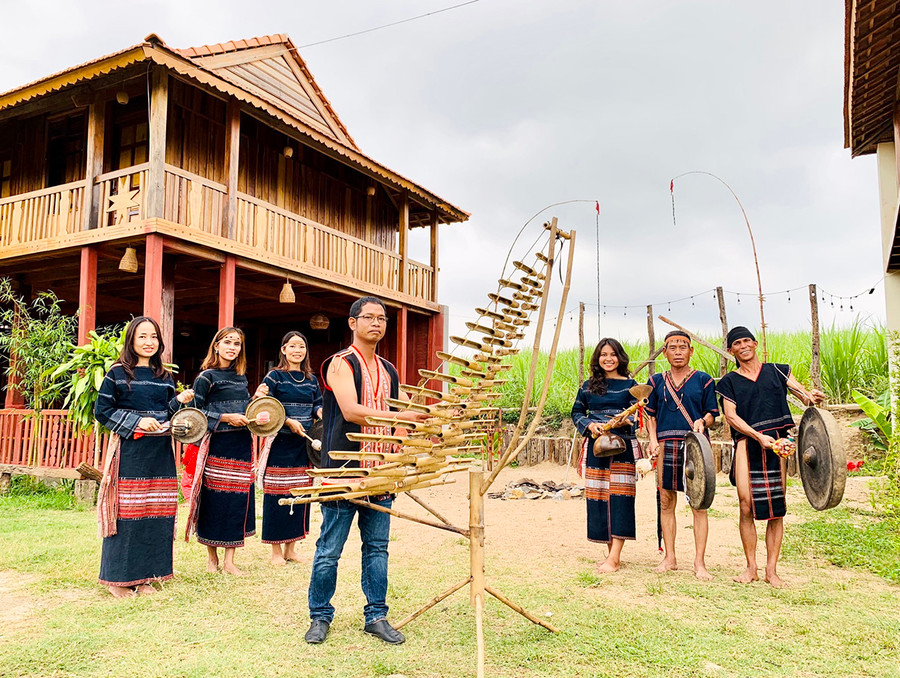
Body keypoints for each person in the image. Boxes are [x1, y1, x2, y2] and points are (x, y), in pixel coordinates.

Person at [305, 296, 428, 645]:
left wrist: (402, 449)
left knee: (377, 547)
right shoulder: (340, 363)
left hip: (381, 471)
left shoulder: (389, 369)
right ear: (352, 322)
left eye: (382, 318)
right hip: (344, 469)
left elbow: (399, 414)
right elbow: (351, 410)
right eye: (369, 317)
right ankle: (319, 616)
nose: (376, 323)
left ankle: (376, 615)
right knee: (330, 547)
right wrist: (403, 417)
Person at [716, 326, 824, 587]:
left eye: (746, 341)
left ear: (754, 343)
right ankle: (750, 567)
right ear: (731, 351)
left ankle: (771, 570)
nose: (742, 346)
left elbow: (804, 395)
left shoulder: (777, 370)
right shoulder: (728, 382)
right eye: (736, 343)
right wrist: (757, 436)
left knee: (777, 507)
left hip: (779, 440)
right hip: (747, 440)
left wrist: (813, 397)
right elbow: (731, 416)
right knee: (745, 504)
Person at [95, 316, 192, 597]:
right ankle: (118, 580)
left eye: (154, 337)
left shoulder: (164, 376)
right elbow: (103, 411)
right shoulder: (116, 373)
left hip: (159, 453)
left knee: (156, 511)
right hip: (130, 454)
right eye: (142, 337)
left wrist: (179, 402)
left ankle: (148, 576)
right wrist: (137, 423)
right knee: (127, 514)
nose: (149, 342)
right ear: (131, 340)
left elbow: (166, 412)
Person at [645, 330, 719, 579]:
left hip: (696, 446)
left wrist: (703, 421)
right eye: (672, 347)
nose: (678, 352)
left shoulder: (704, 380)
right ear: (664, 352)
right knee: (666, 502)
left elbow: (712, 413)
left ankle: (700, 562)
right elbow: (651, 416)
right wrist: (652, 441)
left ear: (691, 351)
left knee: (699, 504)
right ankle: (670, 557)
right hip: (665, 444)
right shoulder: (655, 381)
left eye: (683, 347)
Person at [182, 326, 255, 576]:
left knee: (236, 500)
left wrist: (256, 414)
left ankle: (230, 561)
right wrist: (225, 417)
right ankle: (212, 558)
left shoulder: (242, 377)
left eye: (237, 343)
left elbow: (244, 410)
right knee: (214, 500)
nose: (232, 347)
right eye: (228, 342)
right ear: (216, 345)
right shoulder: (205, 377)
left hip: (241, 444)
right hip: (217, 445)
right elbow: (195, 413)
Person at [570, 338, 641, 573]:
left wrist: (626, 419)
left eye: (613, 354)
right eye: (603, 354)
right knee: (599, 497)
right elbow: (577, 411)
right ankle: (612, 554)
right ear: (597, 359)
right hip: (596, 446)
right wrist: (590, 425)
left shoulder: (631, 385)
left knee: (621, 497)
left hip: (622, 447)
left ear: (620, 357)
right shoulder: (589, 386)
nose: (608, 359)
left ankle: (615, 558)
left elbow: (639, 417)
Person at [253, 331, 323, 566]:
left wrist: (321, 414)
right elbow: (263, 405)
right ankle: (275, 552)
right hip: (280, 443)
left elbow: (317, 404)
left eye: (301, 347)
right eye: (292, 346)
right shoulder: (274, 377)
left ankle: (291, 549)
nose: (297, 351)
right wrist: (286, 420)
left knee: (300, 494)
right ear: (283, 350)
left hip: (304, 444)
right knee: (277, 496)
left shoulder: (311, 379)